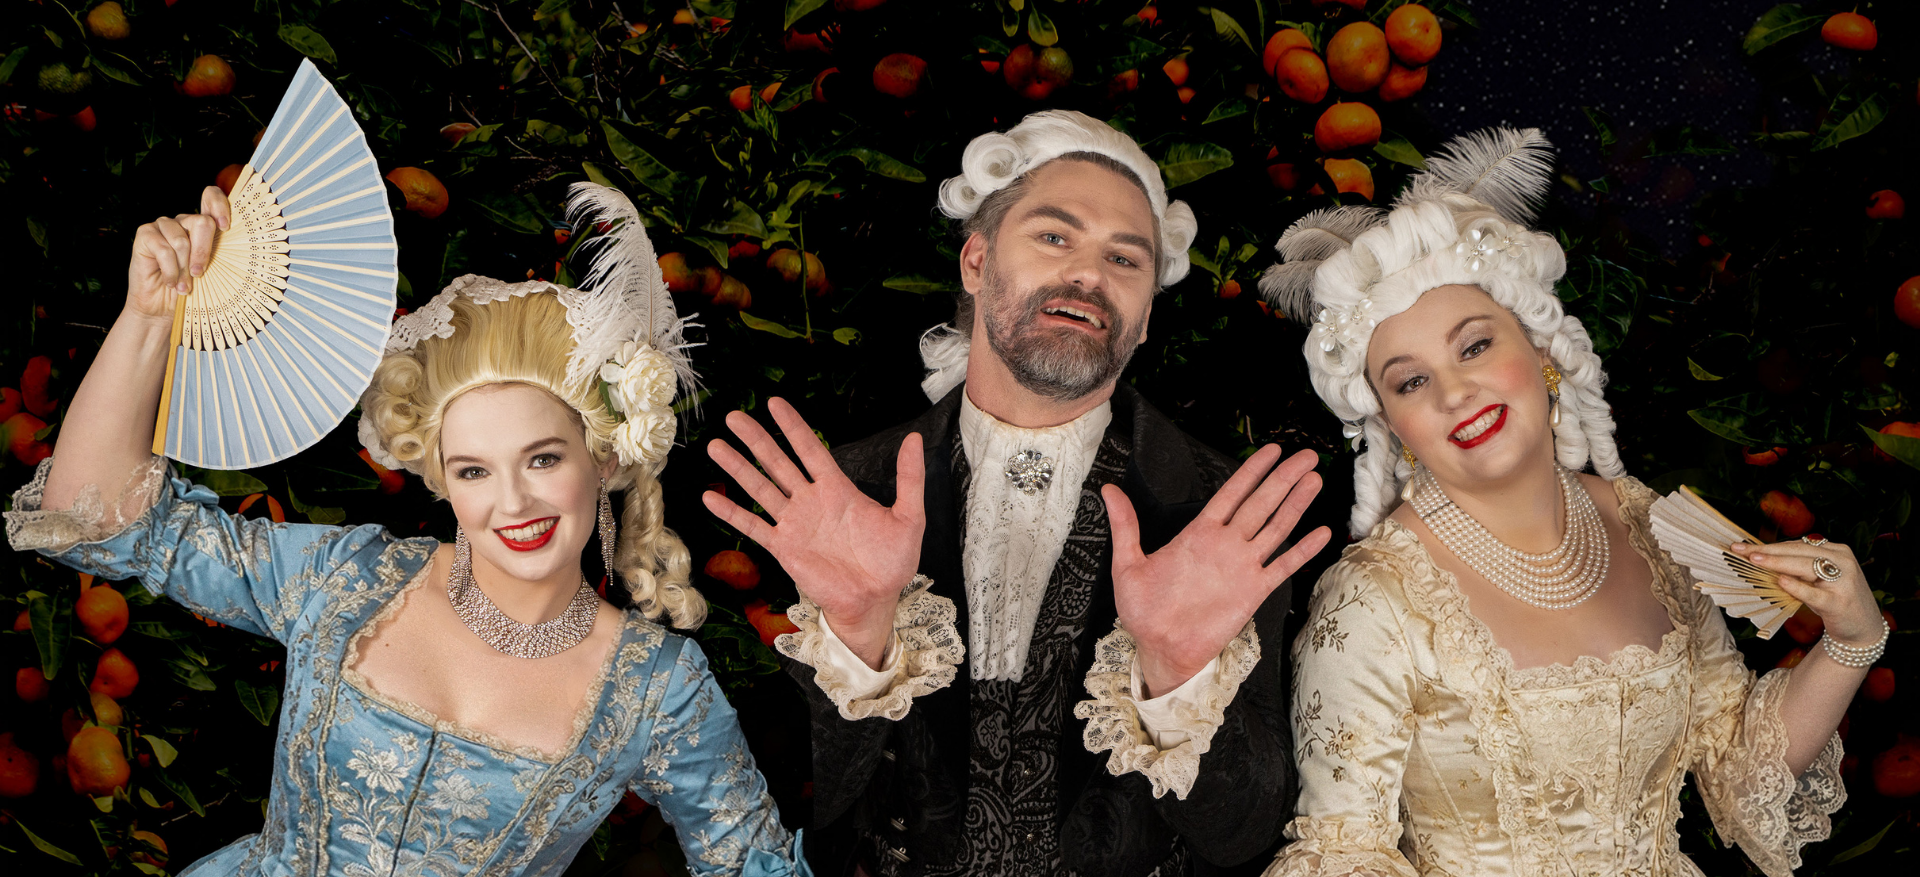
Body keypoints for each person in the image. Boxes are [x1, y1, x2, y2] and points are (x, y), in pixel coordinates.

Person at [5, 183, 813, 876]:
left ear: (602, 457)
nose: (512, 502)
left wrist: (868, 639)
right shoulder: (347, 579)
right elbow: (99, 519)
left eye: (542, 458)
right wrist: (150, 315)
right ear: (441, 477)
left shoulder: (658, 690)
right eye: (473, 470)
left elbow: (756, 865)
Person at [701, 110, 1332, 876]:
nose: (1089, 275)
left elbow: (1246, 832)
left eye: (1124, 258)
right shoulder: (845, 491)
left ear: (1144, 318)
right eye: (1055, 236)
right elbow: (781, 815)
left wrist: (1177, 674)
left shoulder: (1220, 508)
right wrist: (858, 640)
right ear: (975, 260)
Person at [1256, 128, 1876, 877]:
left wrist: (1851, 638)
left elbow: (1738, 767)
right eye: (1411, 381)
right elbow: (1344, 855)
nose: (1455, 392)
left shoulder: (1647, 524)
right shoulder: (1371, 599)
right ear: (1392, 425)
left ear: (1543, 351)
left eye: (1474, 346)